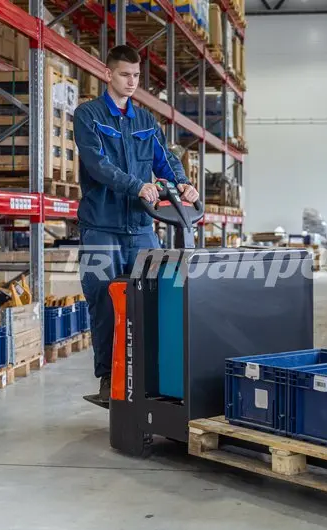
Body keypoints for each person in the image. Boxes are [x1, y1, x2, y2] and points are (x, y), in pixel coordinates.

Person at [74, 45, 199, 405]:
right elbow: (96, 165)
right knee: (103, 299)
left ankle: (152, 376)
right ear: (108, 74)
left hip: (142, 227)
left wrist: (183, 184)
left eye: (136, 76)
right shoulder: (88, 115)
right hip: (101, 226)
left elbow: (165, 161)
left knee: (156, 297)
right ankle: (107, 378)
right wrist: (136, 185)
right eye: (125, 75)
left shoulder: (146, 122)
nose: (131, 82)